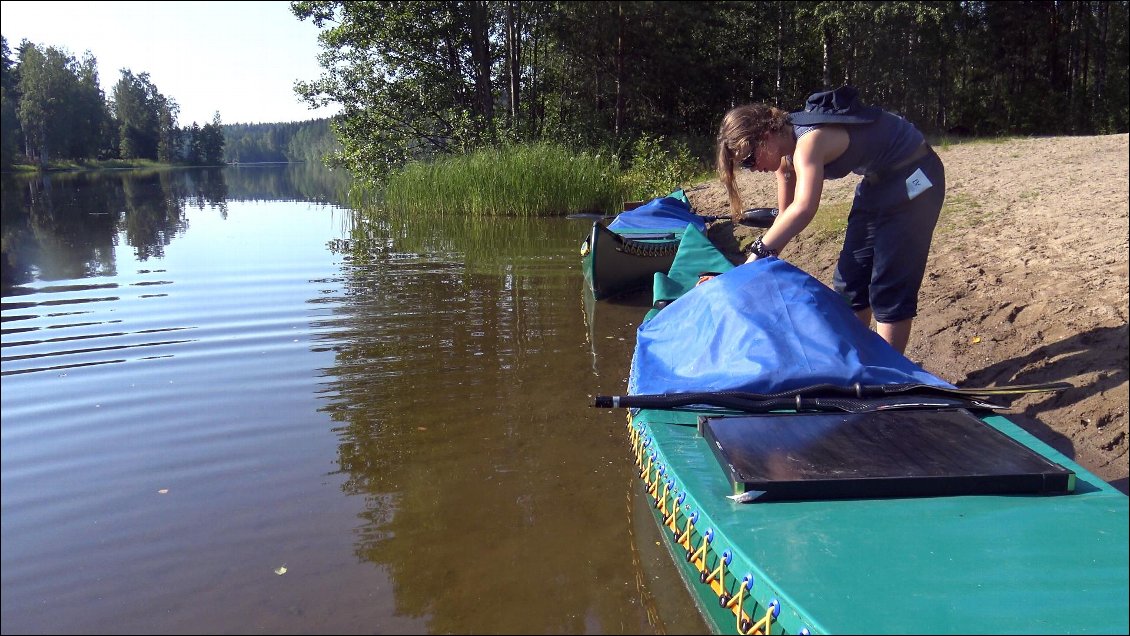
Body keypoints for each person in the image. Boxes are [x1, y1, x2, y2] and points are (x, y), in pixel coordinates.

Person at [715, 85, 945, 354]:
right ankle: (856, 359)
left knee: (888, 285)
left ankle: (888, 377)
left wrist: (757, 252)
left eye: (749, 159)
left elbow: (803, 209)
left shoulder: (808, 143)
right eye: (746, 165)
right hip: (877, 181)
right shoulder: (785, 159)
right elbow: (786, 216)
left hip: (916, 175)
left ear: (765, 136)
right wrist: (754, 266)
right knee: (849, 279)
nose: (753, 168)